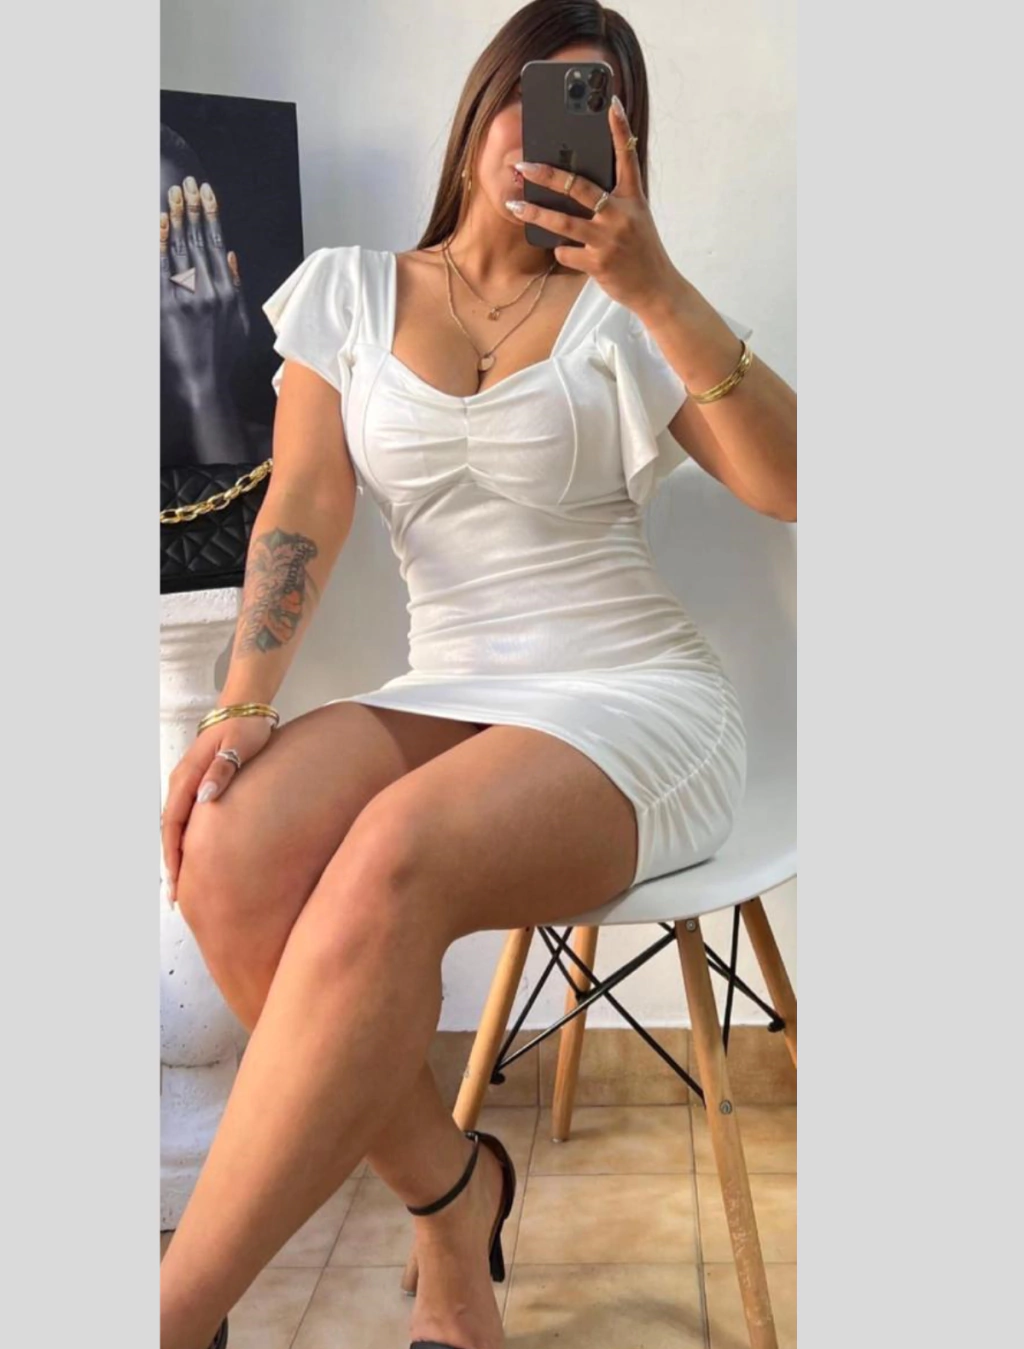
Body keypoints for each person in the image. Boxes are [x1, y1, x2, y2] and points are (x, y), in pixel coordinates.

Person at [158, 5, 797, 1347]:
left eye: (596, 108)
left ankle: (171, 1315)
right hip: (448, 685)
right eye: (537, 92)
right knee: (226, 846)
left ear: (625, 148)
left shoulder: (631, 310)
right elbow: (303, 506)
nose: (551, 129)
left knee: (390, 856)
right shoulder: (347, 291)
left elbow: (792, 486)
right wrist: (242, 703)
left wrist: (655, 284)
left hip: (632, 699)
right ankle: (452, 1196)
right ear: (478, 109)